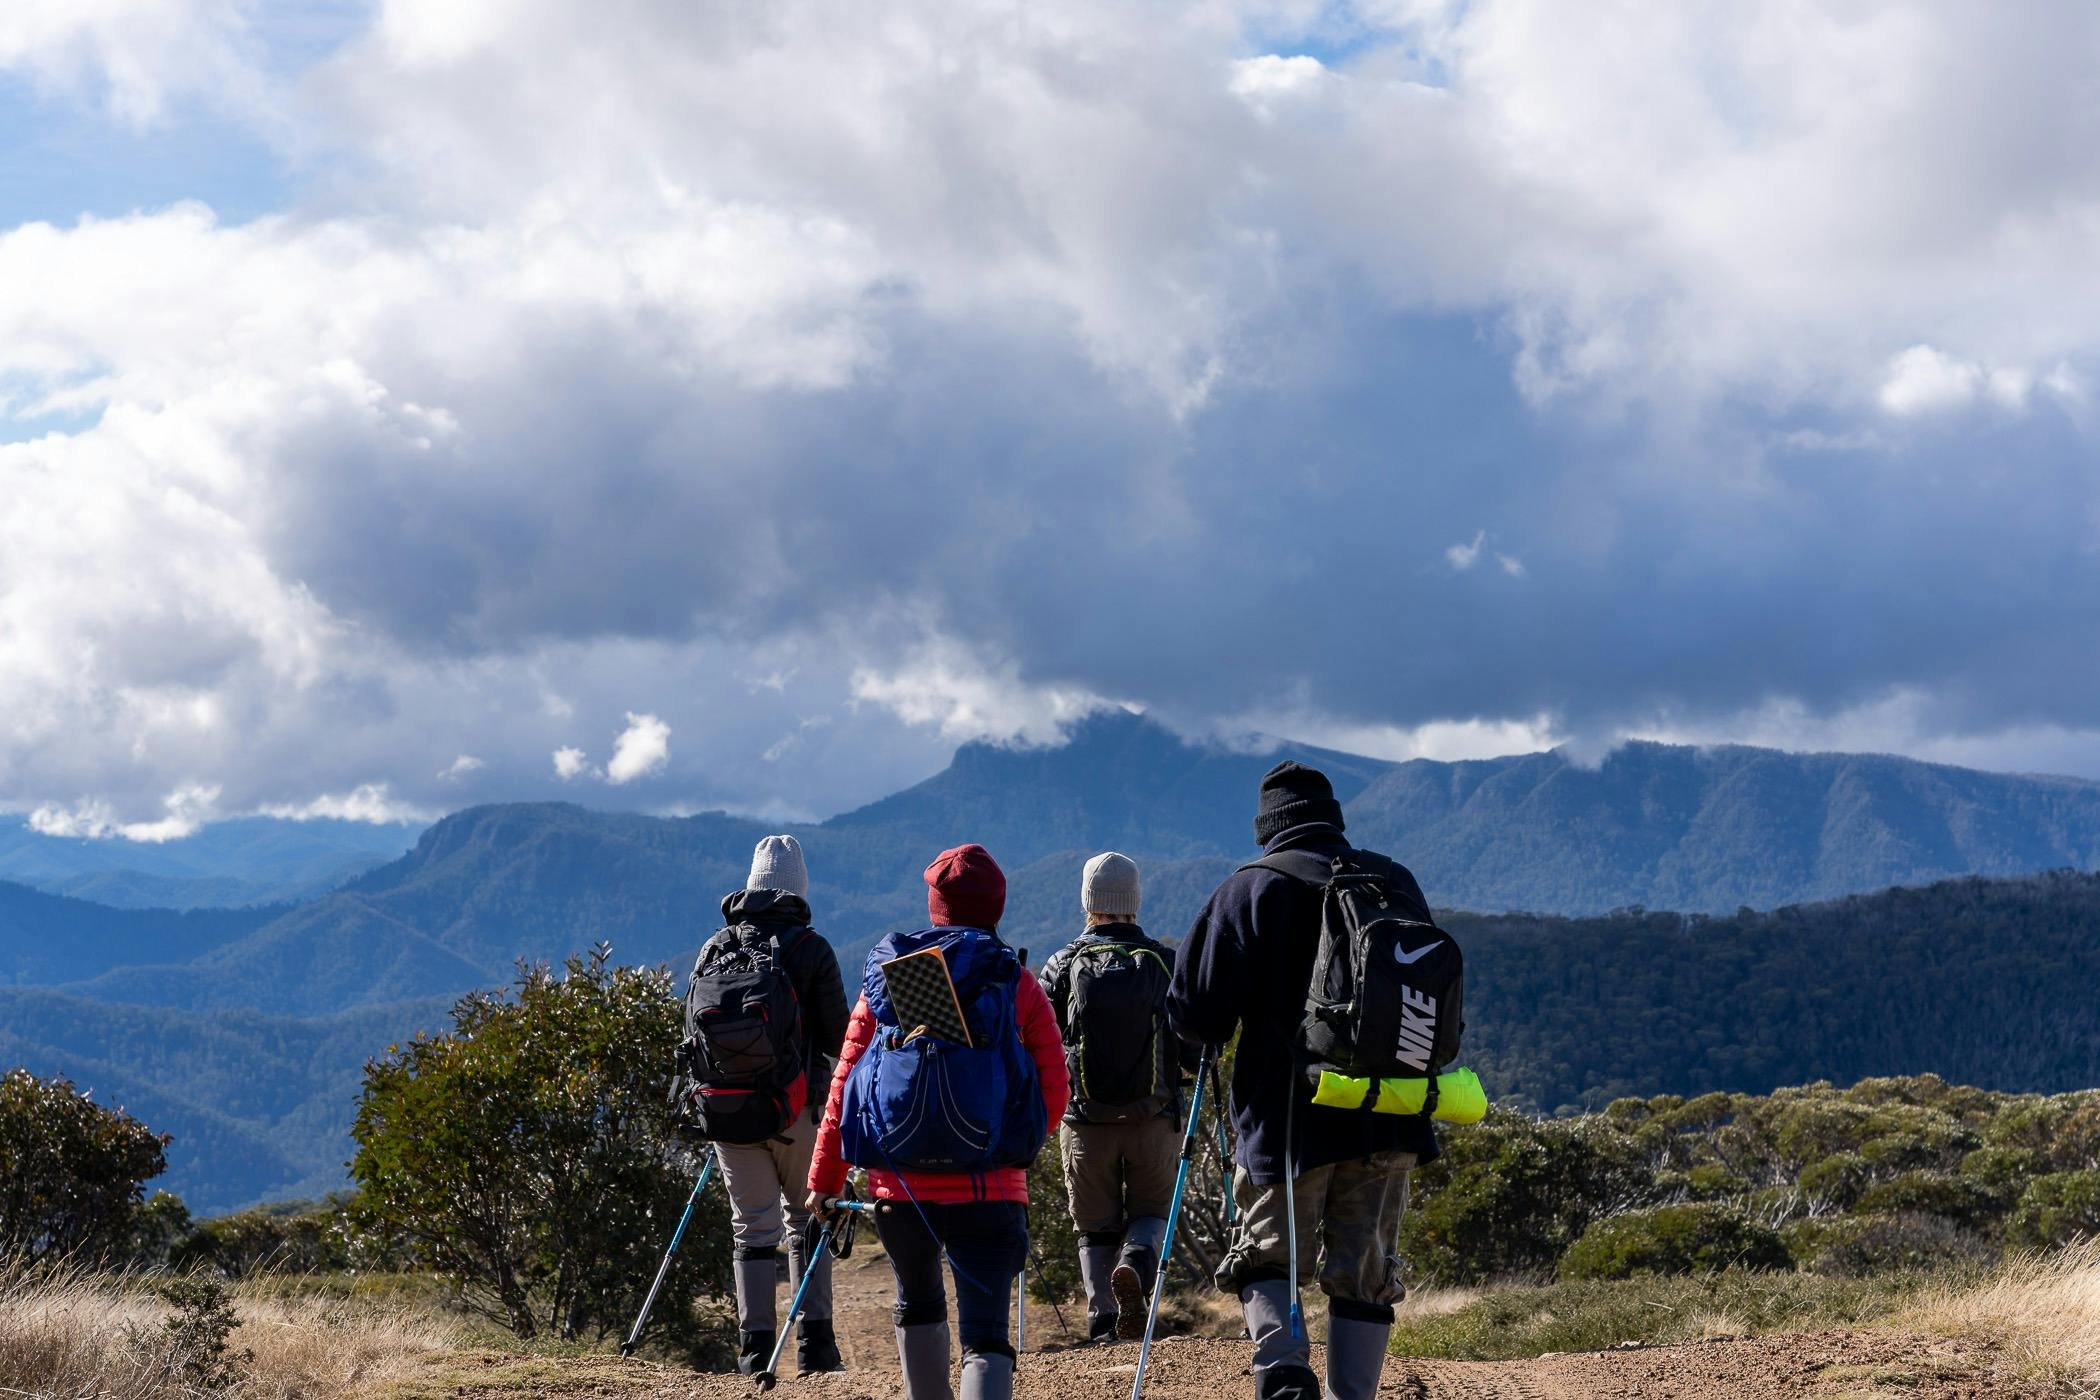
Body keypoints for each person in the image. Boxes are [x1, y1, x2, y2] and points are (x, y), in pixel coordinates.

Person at [1167, 763, 1440, 1400]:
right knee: (1365, 1270)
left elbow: (1195, 1014)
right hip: (1389, 1109)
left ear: (1268, 829)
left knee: (1269, 1257)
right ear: (1334, 818)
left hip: (1286, 1120)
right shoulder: (1393, 881)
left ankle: (1286, 1373)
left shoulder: (1249, 890)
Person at [806, 844, 1069, 1400]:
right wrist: (1009, 1145)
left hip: (898, 1190)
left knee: (918, 1304)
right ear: (996, 906)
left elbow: (846, 1085)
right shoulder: (1016, 984)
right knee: (985, 1338)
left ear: (935, 906)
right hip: (991, 1190)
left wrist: (824, 1181)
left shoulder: (888, 985)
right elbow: (1055, 1092)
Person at [705, 835, 852, 1376]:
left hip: (728, 1111)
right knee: (807, 1216)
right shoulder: (811, 948)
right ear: (798, 888)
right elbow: (840, 1035)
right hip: (798, 1108)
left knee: (751, 1227)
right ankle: (816, 1347)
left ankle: (754, 1353)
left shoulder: (715, 947)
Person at [1037, 851, 1191, 1343]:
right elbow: (1190, 1046)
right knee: (1151, 1214)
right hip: (1153, 1117)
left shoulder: (1062, 965)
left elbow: (1036, 1035)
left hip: (1085, 1121)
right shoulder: (1164, 964)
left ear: (1088, 901)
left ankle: (1103, 1320)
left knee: (1095, 1227)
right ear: (1135, 900)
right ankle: (1135, 1266)